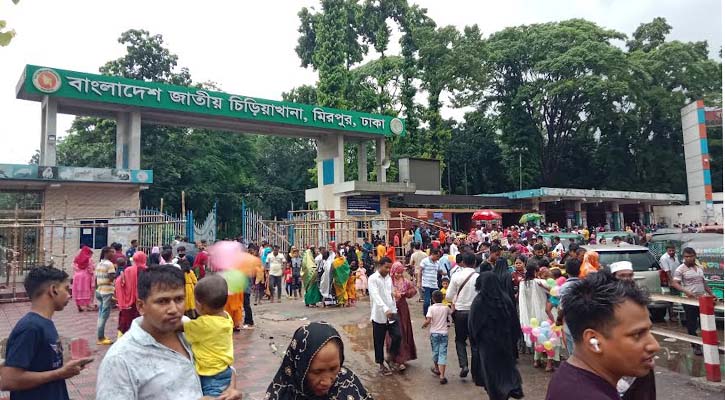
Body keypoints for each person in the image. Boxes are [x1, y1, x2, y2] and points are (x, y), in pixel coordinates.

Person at [96, 265, 241, 400]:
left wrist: (231, 390)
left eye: (179, 299)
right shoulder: (120, 360)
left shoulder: (189, 328)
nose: (173, 309)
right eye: (162, 301)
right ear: (141, 306)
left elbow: (223, 364)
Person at [546, 273, 660, 400]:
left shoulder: (568, 376)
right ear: (593, 341)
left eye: (649, 331)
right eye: (637, 334)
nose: (654, 345)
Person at [0, 266, 93, 400]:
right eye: (66, 289)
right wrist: (60, 373)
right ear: (53, 290)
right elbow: (10, 380)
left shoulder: (44, 324)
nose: (69, 294)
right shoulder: (30, 327)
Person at [265, 322, 371, 399]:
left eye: (334, 368)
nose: (327, 382)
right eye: (317, 372)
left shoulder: (349, 385)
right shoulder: (280, 394)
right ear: (299, 367)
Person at [469, 271, 524, 400]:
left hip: (487, 346)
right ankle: (508, 390)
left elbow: (473, 326)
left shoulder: (479, 301)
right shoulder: (505, 299)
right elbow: (515, 323)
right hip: (505, 343)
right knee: (504, 371)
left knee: (491, 375)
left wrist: (475, 343)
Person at [184, 275, 235, 397]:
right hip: (224, 369)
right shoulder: (226, 317)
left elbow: (179, 327)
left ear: (199, 305)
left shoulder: (203, 324)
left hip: (211, 374)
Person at [670, 247, 715, 356]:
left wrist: (711, 293)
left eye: (690, 256)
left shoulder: (699, 267)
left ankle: (711, 345)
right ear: (683, 257)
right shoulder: (680, 269)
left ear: (695, 256)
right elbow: (675, 283)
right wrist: (686, 291)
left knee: (706, 322)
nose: (688, 258)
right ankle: (696, 346)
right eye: (686, 256)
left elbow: (703, 282)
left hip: (702, 299)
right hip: (689, 300)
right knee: (692, 324)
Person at [444, 251, 479, 378]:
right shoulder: (478, 277)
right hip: (475, 312)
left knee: (460, 339)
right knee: (475, 341)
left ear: (462, 262)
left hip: (459, 312)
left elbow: (448, 296)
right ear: (474, 262)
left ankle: (464, 365)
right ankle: (476, 371)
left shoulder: (456, 276)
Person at [368, 256, 402, 375]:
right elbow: (375, 295)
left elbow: (390, 291)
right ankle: (381, 364)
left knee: (398, 336)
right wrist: (385, 308)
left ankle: (390, 357)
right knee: (379, 341)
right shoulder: (373, 279)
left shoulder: (388, 278)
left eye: (389, 268)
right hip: (379, 315)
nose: (388, 270)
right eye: (386, 267)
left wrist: (395, 294)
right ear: (380, 266)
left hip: (392, 311)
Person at [386, 261, 417, 369]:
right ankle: (393, 356)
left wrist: (404, 294)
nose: (398, 275)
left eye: (400, 273)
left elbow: (413, 290)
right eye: (397, 272)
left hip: (403, 309)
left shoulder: (406, 281)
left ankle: (401, 359)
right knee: (393, 333)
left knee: (403, 331)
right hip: (391, 308)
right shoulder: (388, 281)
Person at [115, 251, 148, 335]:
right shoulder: (147, 271)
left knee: (126, 321)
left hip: (129, 301)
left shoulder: (128, 270)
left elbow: (119, 282)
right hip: (142, 300)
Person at [423, 290, 452, 384]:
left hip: (434, 333)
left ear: (433, 299)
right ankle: (442, 376)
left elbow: (428, 320)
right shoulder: (446, 308)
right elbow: (451, 313)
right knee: (442, 354)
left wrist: (424, 325)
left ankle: (436, 369)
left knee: (435, 352)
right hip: (444, 334)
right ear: (442, 298)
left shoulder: (431, 308)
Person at [95, 246, 116, 345]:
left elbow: (96, 279)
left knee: (101, 314)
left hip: (99, 290)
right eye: (112, 252)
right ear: (107, 253)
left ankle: (100, 335)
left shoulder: (100, 263)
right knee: (104, 316)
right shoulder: (109, 264)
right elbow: (111, 278)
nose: (114, 254)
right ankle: (101, 338)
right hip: (106, 291)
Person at [419, 248, 445, 317]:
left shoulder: (437, 263)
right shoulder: (425, 261)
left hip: (434, 284)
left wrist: (444, 273)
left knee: (435, 302)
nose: (438, 258)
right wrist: (419, 282)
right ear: (433, 254)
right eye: (437, 256)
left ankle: (434, 315)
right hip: (426, 284)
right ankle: (426, 315)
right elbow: (420, 271)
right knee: (427, 302)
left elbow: (439, 271)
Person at [71, 245, 95, 312]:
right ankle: (87, 306)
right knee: (87, 290)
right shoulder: (89, 260)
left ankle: (79, 306)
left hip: (77, 276)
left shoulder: (76, 258)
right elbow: (91, 269)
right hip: (85, 276)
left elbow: (73, 267)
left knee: (78, 290)